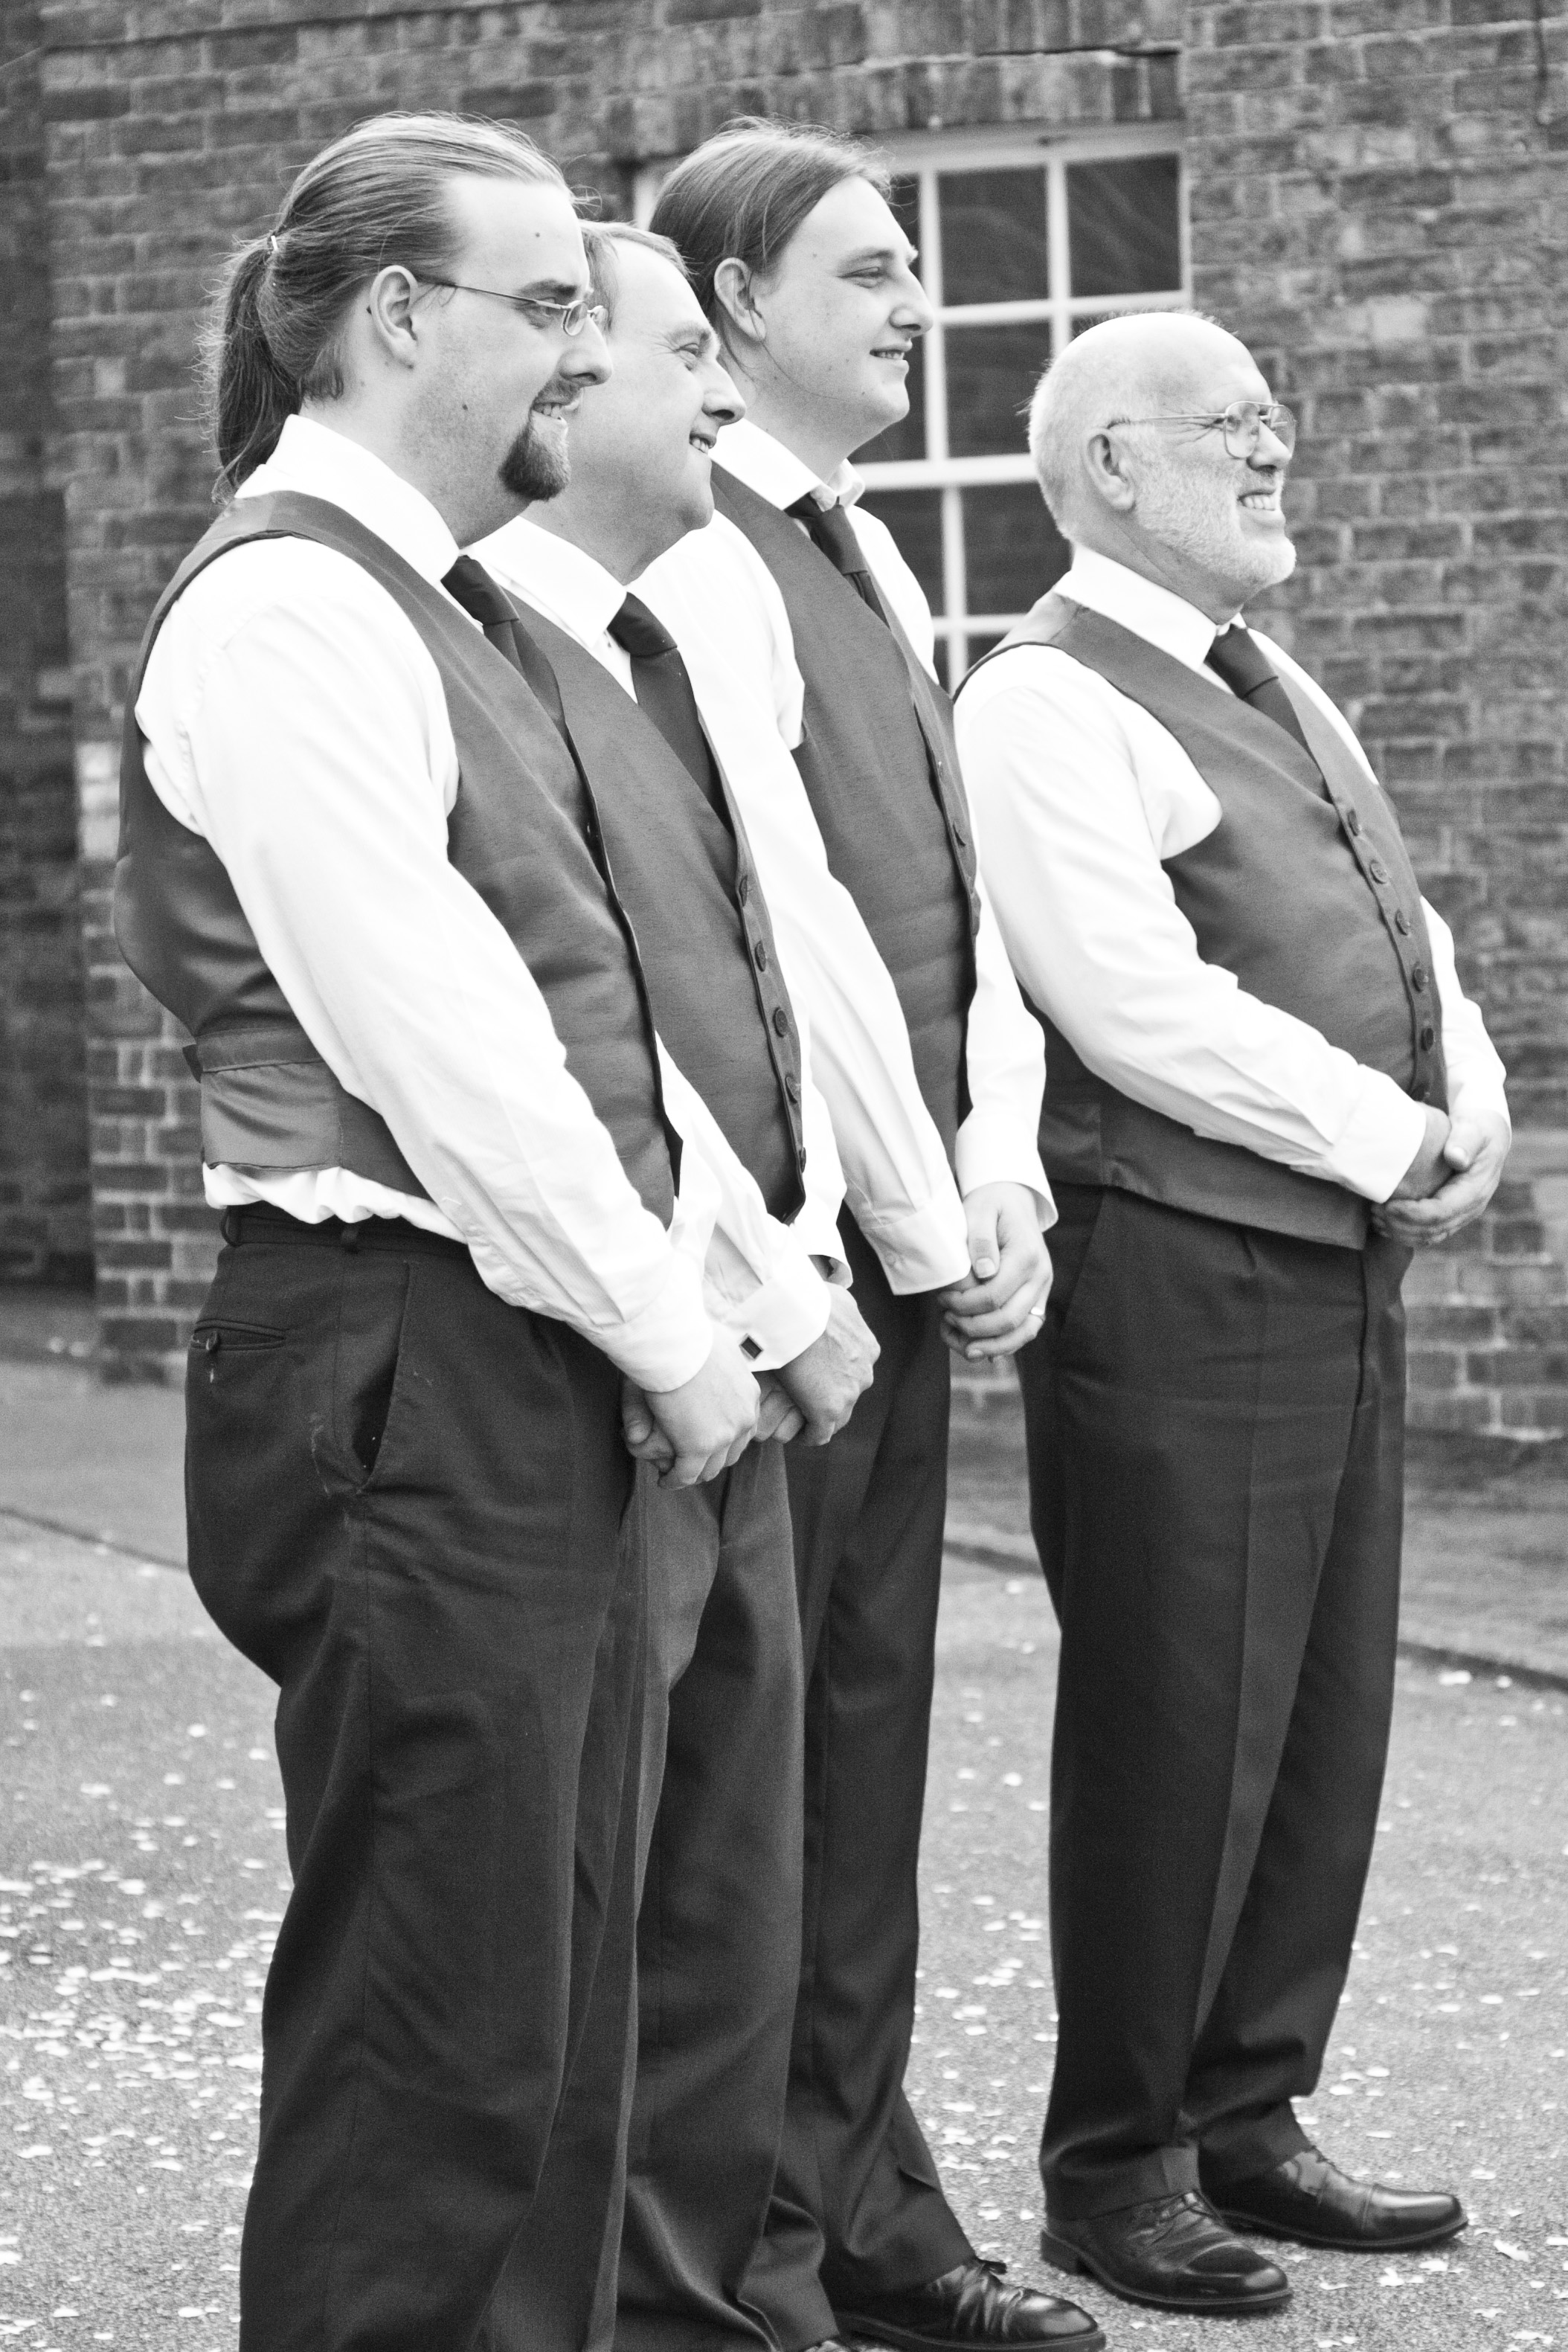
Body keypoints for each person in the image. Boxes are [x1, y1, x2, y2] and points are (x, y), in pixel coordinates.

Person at [114, 114, 765, 2352]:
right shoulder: (291, 601)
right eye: (552, 303)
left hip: (491, 1338)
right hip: (401, 1345)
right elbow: (445, 1043)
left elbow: (592, 1003)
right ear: (399, 317)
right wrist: (670, 1334)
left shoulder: (435, 594)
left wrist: (722, 1285)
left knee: (551, 2011)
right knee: (440, 2038)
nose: (585, 347)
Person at [954, 308, 1508, 2319]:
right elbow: (1127, 999)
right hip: (1179, 1271)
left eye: (1275, 416)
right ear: (1110, 462)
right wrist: (1387, 1134)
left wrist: (1470, 1093)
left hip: (1331, 1256)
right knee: (1176, 1722)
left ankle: (1249, 2110)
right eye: (1231, 423)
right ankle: (1116, 2164)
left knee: (1319, 1713)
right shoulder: (1041, 699)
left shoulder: (1265, 669)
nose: (1274, 450)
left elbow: (1399, 912)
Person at [651, 126, 1099, 2352]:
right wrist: (920, 1226)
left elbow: (960, 913)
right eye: (866, 267)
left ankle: (860, 2201)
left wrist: (1004, 1165)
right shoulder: (699, 552)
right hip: (814, 1261)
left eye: (914, 265)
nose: (916, 301)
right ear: (735, 304)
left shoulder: (869, 550)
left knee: (869, 1751)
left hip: (921, 1233)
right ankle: (785, 2242)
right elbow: (792, 928)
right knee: (774, 1786)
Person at [471, 218, 881, 2350]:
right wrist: (735, 1303)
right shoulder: (498, 658)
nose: (723, 387)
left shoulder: (670, 638)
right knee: (601, 1902)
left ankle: (727, 2306)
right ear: (560, 387)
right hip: (612, 1345)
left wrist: (818, 1251)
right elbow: (572, 1043)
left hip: (752, 1314)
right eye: (673, 352)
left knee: (735, 1884)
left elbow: (765, 972)